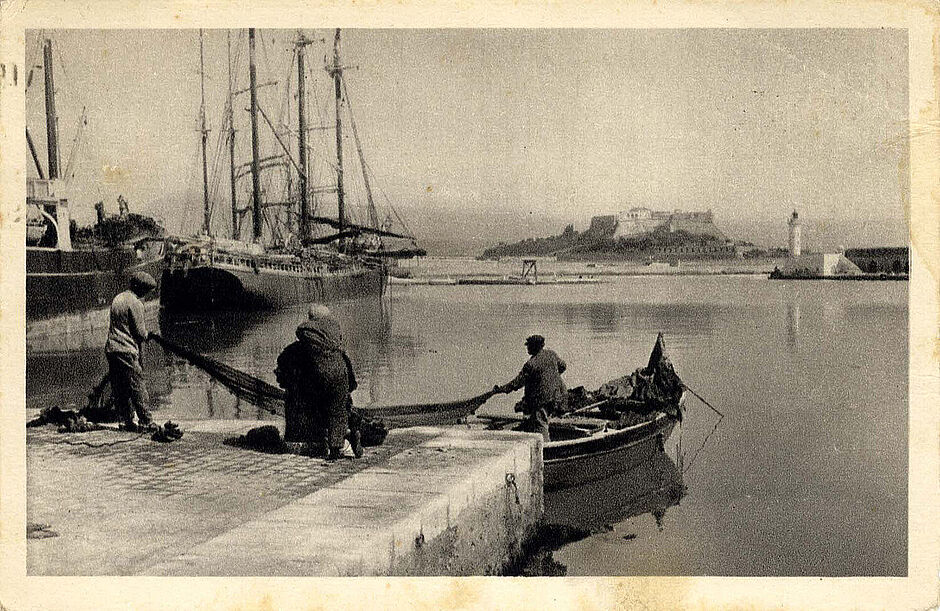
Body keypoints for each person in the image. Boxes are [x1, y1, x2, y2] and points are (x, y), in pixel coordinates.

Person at [275, 305, 361, 460]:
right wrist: (350, 385)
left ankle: (316, 440)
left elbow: (284, 360)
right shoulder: (335, 339)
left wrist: (288, 382)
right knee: (337, 411)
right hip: (340, 374)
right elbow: (346, 365)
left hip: (318, 379)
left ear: (310, 319)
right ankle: (338, 447)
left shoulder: (306, 336)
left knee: (312, 405)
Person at [106, 271, 157, 431]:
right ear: (141, 288)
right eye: (146, 292)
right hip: (126, 349)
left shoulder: (118, 298)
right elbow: (140, 333)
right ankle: (146, 421)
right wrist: (149, 335)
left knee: (120, 386)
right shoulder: (135, 303)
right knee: (137, 385)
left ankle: (125, 420)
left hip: (112, 348)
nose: (146, 295)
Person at [493, 334, 567, 442]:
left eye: (529, 346)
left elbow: (517, 383)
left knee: (540, 423)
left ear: (534, 347)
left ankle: (544, 448)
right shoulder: (551, 354)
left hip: (541, 400)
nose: (527, 348)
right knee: (542, 420)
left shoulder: (531, 364)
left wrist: (501, 389)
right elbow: (563, 366)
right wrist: (551, 377)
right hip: (556, 396)